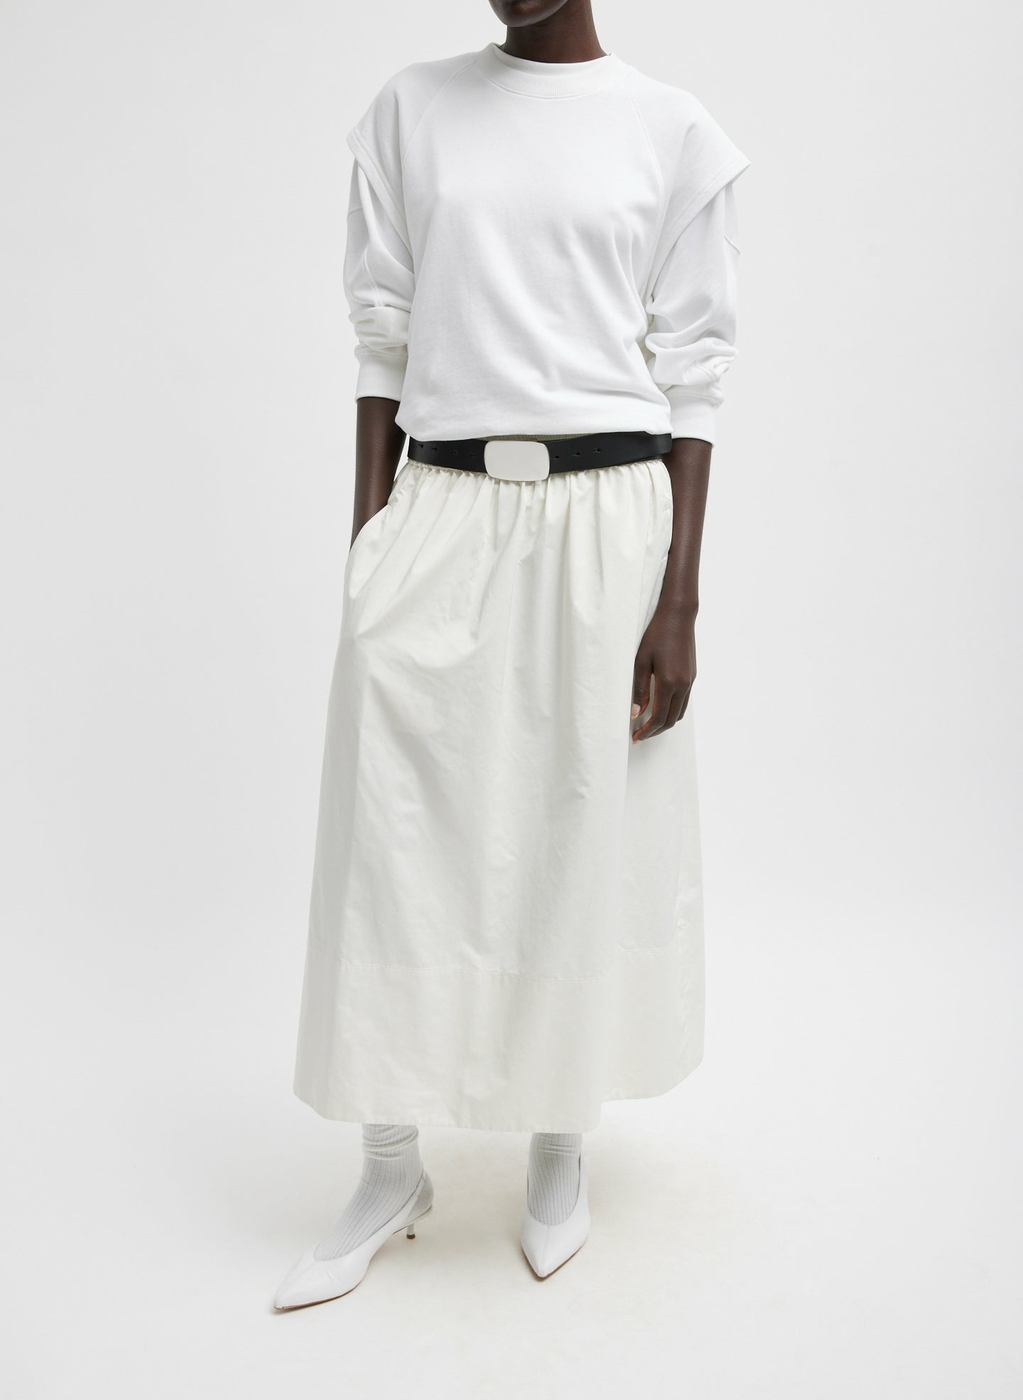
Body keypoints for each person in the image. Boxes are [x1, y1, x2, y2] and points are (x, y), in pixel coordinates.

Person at [274, 0, 749, 1308]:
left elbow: (694, 379)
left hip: (607, 518)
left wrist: (680, 602)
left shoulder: (673, 132)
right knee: (392, 842)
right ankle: (388, 1166)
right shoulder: (410, 110)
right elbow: (382, 337)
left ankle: (557, 1145)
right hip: (440, 504)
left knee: (575, 832)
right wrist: (370, 544)